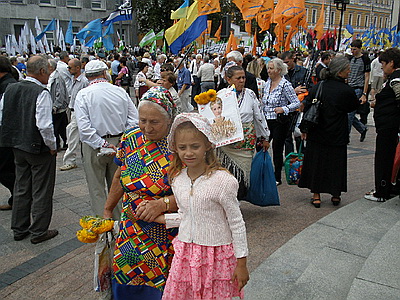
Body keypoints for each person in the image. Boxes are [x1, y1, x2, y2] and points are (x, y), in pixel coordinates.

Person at [156, 113, 249, 300]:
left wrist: (241, 263)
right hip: (185, 254)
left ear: (208, 145)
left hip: (216, 256)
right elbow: (186, 214)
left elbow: (236, 223)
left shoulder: (223, 181)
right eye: (182, 148)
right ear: (175, 149)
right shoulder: (177, 178)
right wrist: (162, 219)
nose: (188, 153)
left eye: (195, 146)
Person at [103, 86, 179, 299]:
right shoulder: (131, 137)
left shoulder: (180, 145)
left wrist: (162, 204)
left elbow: (195, 192)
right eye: (142, 120)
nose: (147, 128)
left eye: (154, 122)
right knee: (126, 273)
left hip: (165, 229)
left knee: (164, 280)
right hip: (131, 224)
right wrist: (108, 209)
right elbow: (119, 176)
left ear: (169, 120)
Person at [0, 55, 58, 243]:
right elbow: (45, 126)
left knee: (21, 187)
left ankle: (19, 228)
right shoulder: (40, 92)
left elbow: (3, 116)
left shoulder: (10, 88)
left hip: (17, 145)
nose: (50, 75)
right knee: (41, 190)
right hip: (37, 147)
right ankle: (39, 231)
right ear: (42, 71)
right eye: (48, 71)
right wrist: (52, 146)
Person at [75, 60, 138, 220]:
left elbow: (84, 128)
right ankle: (119, 224)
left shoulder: (83, 94)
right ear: (104, 73)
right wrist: (121, 139)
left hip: (93, 146)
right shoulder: (119, 92)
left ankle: (103, 226)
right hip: (119, 143)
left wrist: (102, 144)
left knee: (96, 188)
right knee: (117, 185)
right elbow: (134, 119)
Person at [298, 56, 360, 208]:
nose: (349, 71)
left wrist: (305, 129)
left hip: (317, 130)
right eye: (347, 69)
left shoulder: (319, 86)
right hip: (337, 132)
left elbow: (308, 107)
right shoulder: (346, 90)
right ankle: (335, 193)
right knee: (336, 164)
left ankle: (316, 195)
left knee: (317, 163)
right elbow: (352, 107)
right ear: (340, 72)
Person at [219, 65, 270, 199]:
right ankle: (227, 199)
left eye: (243, 78)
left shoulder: (250, 94)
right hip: (227, 142)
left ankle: (238, 200)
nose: (242, 80)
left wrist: (264, 137)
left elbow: (259, 116)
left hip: (245, 141)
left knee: (243, 173)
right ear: (229, 79)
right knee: (227, 172)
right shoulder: (221, 95)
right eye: (238, 78)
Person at [364, 48, 400, 202]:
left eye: (384, 63)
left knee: (384, 159)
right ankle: (386, 187)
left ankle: (382, 191)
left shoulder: (396, 79)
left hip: (389, 126)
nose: (382, 67)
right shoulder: (393, 77)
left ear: (392, 62)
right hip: (389, 125)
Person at [262, 58, 300, 185]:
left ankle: (277, 176)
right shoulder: (267, 82)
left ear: (278, 70)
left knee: (277, 148)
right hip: (266, 119)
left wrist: (284, 109)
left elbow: (296, 103)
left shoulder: (285, 84)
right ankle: (263, 172)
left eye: (271, 68)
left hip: (279, 121)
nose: (269, 71)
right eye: (268, 68)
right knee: (262, 145)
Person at [59, 58, 89, 171]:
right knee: (72, 133)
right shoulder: (72, 79)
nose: (68, 69)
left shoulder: (84, 81)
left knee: (72, 134)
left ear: (78, 68)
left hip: (79, 112)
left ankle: (69, 160)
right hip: (71, 110)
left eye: (70, 67)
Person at [0, 56, 17, 210]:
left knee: (5, 169)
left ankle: (20, 196)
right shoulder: (7, 84)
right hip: (9, 135)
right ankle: (17, 197)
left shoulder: (8, 86)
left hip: (8, 136)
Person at [348, 39, 369, 142]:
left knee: (349, 113)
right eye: (351, 49)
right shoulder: (350, 59)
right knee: (348, 113)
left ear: (360, 49)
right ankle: (362, 128)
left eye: (354, 49)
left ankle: (346, 136)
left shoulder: (365, 59)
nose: (352, 51)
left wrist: (364, 93)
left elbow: (367, 76)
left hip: (358, 88)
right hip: (349, 87)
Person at [48, 59, 69, 151]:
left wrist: (56, 106)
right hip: (54, 107)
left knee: (57, 128)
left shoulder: (57, 78)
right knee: (61, 128)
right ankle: (63, 143)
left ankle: (59, 144)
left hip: (58, 108)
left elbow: (60, 94)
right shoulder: (51, 77)